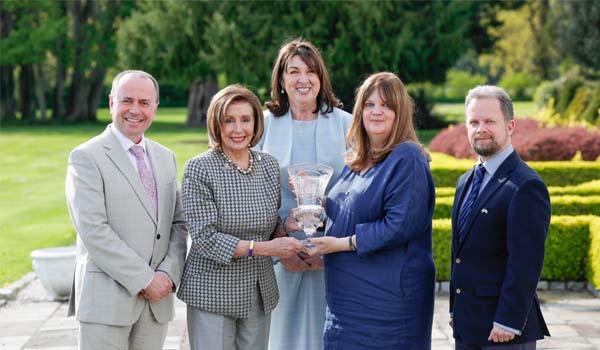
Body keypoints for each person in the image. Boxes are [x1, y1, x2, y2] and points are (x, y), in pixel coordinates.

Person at [308, 72, 436, 349]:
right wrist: (315, 211)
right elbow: (349, 212)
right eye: (369, 104)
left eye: (386, 105)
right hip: (345, 304)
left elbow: (399, 225)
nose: (377, 111)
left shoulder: (407, 157)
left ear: (399, 112)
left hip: (387, 304)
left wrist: (342, 244)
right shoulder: (358, 160)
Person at [65, 70, 187, 350]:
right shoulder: (86, 157)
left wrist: (168, 274)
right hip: (106, 302)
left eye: (144, 102)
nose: (135, 110)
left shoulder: (166, 157)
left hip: (156, 303)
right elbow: (93, 231)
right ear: (111, 103)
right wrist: (145, 280)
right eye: (126, 100)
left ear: (155, 107)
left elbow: (178, 224)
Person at [177, 84, 305, 350]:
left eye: (245, 119)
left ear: (256, 122)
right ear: (216, 124)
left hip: (259, 293)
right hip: (212, 292)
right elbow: (205, 239)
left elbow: (269, 230)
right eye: (229, 121)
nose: (238, 129)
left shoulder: (268, 165)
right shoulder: (200, 168)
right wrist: (267, 248)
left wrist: (286, 226)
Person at [255, 38, 352, 350]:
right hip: (279, 254)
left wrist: (332, 245)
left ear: (320, 78)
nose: (302, 79)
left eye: (311, 71)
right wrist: (279, 245)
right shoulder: (262, 125)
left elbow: (361, 189)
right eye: (293, 71)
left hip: (334, 256)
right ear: (281, 80)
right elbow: (249, 192)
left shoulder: (347, 124)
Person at [449, 85, 551, 350]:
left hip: (503, 332)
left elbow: (526, 262)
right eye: (474, 122)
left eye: (489, 121)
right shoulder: (465, 181)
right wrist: (454, 308)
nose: (480, 128)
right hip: (467, 325)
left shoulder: (526, 185)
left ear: (510, 126)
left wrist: (509, 321)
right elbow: (458, 252)